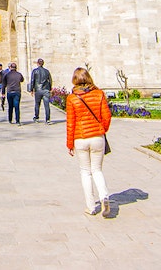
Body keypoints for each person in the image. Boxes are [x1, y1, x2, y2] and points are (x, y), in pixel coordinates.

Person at [66, 67, 113, 217]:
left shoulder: (72, 98)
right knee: (97, 170)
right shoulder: (99, 94)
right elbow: (107, 117)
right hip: (97, 137)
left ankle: (91, 206)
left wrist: (69, 144)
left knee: (85, 172)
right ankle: (104, 195)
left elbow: (70, 123)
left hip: (80, 138)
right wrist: (101, 129)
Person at [30, 58, 53, 124]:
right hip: (46, 89)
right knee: (47, 105)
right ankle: (48, 119)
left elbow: (32, 81)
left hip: (38, 89)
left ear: (37, 63)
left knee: (37, 104)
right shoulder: (47, 71)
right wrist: (50, 88)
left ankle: (37, 117)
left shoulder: (35, 71)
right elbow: (50, 80)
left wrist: (31, 89)